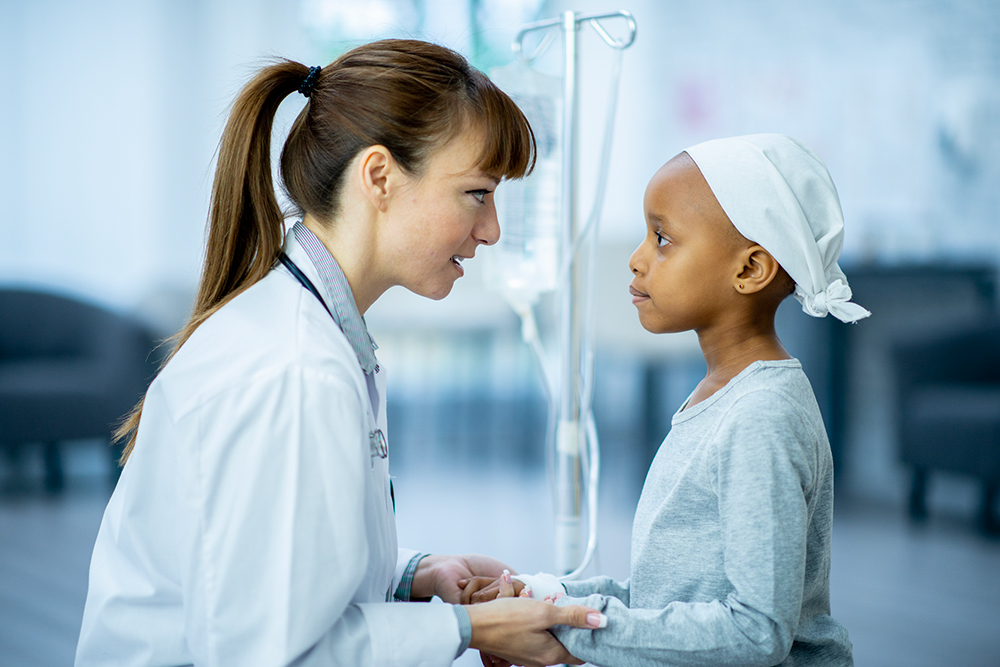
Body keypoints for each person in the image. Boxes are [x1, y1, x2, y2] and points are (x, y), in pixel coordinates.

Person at [75, 40, 606, 667]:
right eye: (477, 193)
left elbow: (288, 583)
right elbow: (270, 654)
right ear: (378, 177)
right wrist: (470, 629)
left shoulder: (315, 334)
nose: (491, 229)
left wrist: (416, 576)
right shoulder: (295, 370)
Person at [461, 134, 864, 666]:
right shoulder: (718, 399)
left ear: (750, 269)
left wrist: (571, 632)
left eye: (662, 238)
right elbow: (671, 599)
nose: (636, 259)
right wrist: (540, 600)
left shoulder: (761, 417)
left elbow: (755, 631)